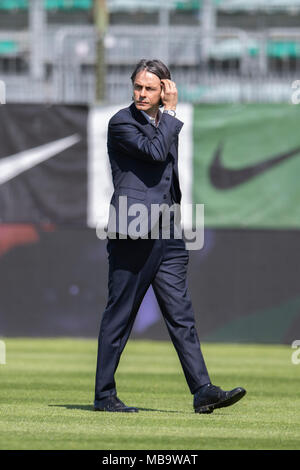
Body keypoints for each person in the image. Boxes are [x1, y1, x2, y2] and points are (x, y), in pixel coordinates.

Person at [94, 59, 246, 414]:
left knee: (181, 314)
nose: (142, 94)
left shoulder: (164, 122)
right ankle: (104, 395)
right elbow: (154, 151)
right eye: (138, 87)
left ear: (163, 88)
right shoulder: (121, 122)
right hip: (132, 231)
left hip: (169, 231)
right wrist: (172, 112)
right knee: (120, 314)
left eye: (149, 88)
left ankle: (202, 389)